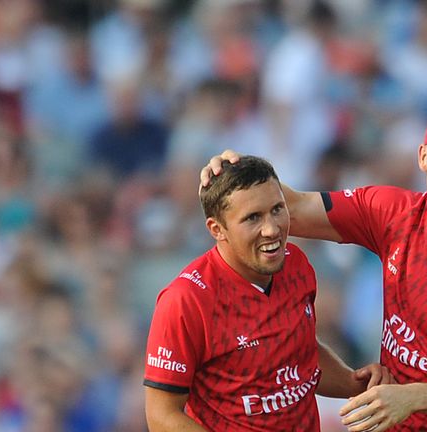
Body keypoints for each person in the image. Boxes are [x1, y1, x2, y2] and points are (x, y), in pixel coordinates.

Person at [201, 101, 427, 431]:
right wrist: (237, 171)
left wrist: (411, 397)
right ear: (423, 156)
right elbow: (293, 207)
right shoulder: (392, 212)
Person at [144, 155, 391, 431]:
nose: (272, 229)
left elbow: (300, 352)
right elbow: (161, 417)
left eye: (277, 209)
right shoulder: (186, 300)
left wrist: (354, 383)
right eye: (253, 218)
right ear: (217, 229)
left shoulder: (295, 264)